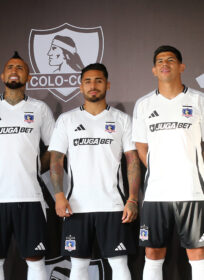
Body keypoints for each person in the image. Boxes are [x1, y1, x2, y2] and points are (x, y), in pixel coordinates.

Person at [49, 63, 140, 280]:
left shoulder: (121, 120)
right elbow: (56, 160)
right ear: (80, 87)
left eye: (98, 80)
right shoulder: (67, 120)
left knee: (119, 263)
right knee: (79, 265)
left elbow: (133, 161)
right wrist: (59, 195)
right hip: (76, 205)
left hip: (113, 204)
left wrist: (133, 199)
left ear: (107, 85)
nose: (93, 85)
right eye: (88, 81)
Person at [0, 51, 55, 280]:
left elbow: (54, 148)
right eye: (10, 67)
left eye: (20, 68)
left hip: (30, 195)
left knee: (36, 260)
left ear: (28, 77)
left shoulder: (39, 109)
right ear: (2, 75)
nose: (14, 71)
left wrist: (35, 167)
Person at [132, 45, 204, 280]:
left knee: (197, 252)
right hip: (156, 193)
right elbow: (141, 146)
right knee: (152, 252)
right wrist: (159, 168)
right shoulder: (144, 104)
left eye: (171, 60)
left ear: (182, 66)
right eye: (160, 61)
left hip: (193, 191)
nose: (165, 63)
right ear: (154, 70)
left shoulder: (199, 100)